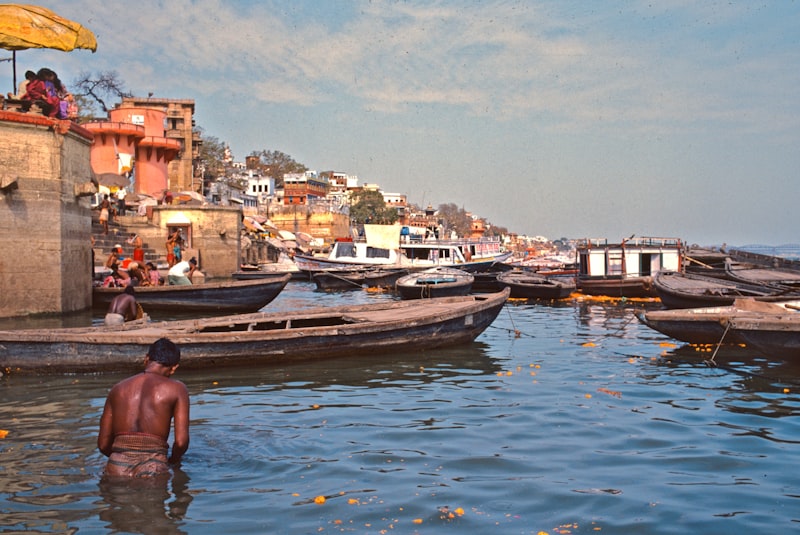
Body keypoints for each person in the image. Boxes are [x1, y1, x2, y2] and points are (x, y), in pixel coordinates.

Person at [97, 338, 189, 478]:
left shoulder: (118, 389)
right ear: (174, 367)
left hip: (116, 467)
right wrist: (172, 462)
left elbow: (103, 445)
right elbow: (181, 442)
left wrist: (123, 457)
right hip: (153, 467)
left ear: (146, 359)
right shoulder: (177, 389)